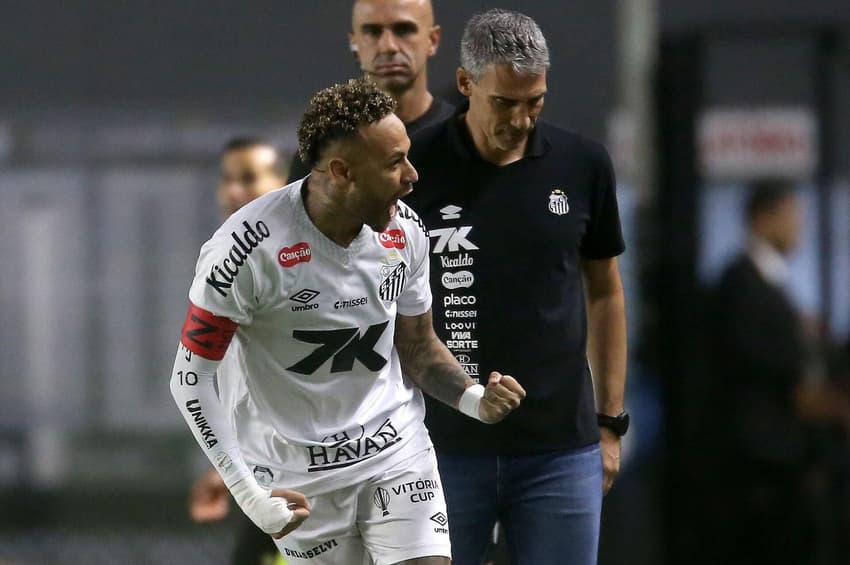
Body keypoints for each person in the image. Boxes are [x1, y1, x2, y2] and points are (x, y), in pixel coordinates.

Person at [169, 77, 526, 565]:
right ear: (341, 172)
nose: (412, 176)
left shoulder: (405, 232)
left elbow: (418, 349)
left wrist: (475, 399)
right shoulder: (245, 250)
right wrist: (248, 493)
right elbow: (191, 378)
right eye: (394, 162)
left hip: (396, 454)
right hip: (299, 479)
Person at [404, 9, 628, 565]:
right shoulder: (412, 168)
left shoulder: (582, 165)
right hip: (439, 448)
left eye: (536, 102)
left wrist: (609, 423)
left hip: (560, 451)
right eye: (505, 102)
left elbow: (605, 292)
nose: (522, 119)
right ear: (465, 84)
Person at [707, 180, 850, 565]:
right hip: (761, 460)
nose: (798, 226)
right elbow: (763, 363)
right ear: (762, 219)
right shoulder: (741, 282)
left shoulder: (771, 282)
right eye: (790, 215)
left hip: (780, 456)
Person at [187, 136, 288, 565]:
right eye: (227, 179)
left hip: (320, 472)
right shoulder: (226, 261)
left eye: (248, 178)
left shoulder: (305, 258)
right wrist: (228, 468)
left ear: (284, 181)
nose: (234, 190)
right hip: (266, 473)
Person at [287, 0, 454, 180]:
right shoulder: (322, 150)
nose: (388, 46)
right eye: (372, 32)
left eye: (404, 30)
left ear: (432, 40)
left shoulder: (464, 136)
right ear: (354, 45)